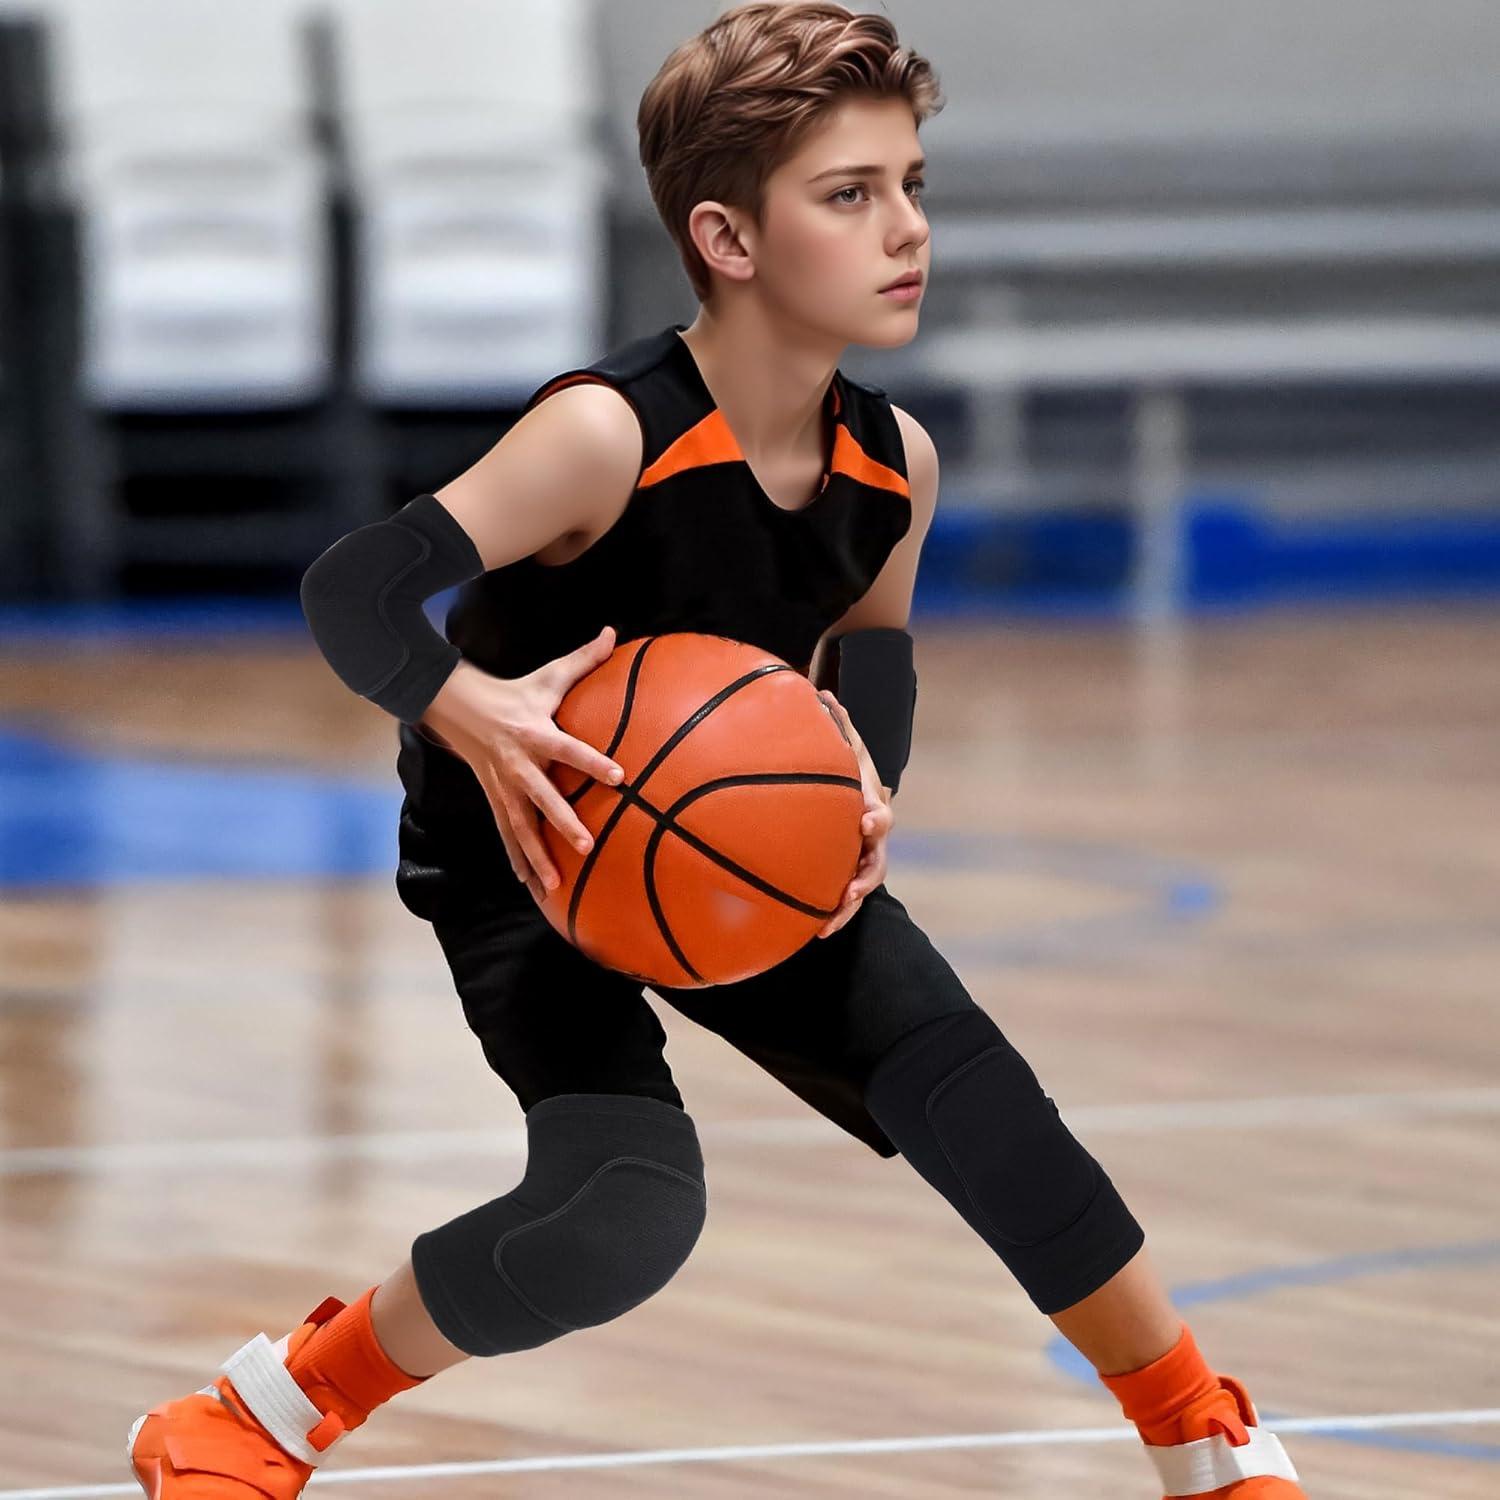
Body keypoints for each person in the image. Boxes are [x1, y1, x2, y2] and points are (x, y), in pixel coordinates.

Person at [126, 6, 1307, 1497]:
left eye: (913, 186)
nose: (906, 232)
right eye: (850, 195)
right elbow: (352, 588)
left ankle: (1206, 1438)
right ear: (728, 240)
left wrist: (871, 785)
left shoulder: (894, 461)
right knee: (620, 1214)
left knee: (988, 1110)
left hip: (746, 834)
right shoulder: (603, 437)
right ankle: (259, 1415)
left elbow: (870, 645)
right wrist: (479, 714)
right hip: (528, 854)